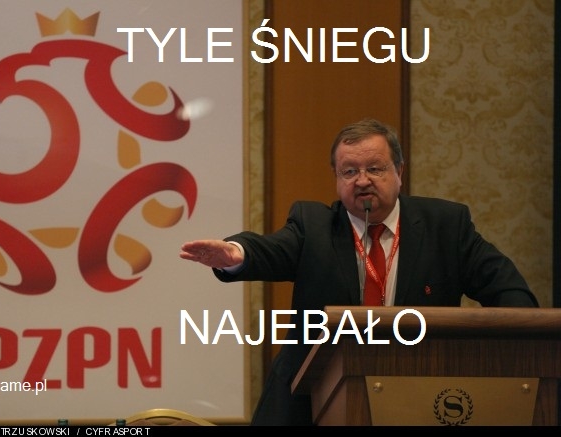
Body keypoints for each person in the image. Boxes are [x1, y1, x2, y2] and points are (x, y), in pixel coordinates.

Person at [179, 118, 539, 426]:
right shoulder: (313, 225)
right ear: (336, 178)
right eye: (349, 171)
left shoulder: (445, 225)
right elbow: (271, 249)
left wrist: (508, 357)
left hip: (420, 395)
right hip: (312, 400)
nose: (362, 180)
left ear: (399, 172)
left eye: (375, 169)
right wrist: (236, 253)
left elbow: (510, 292)